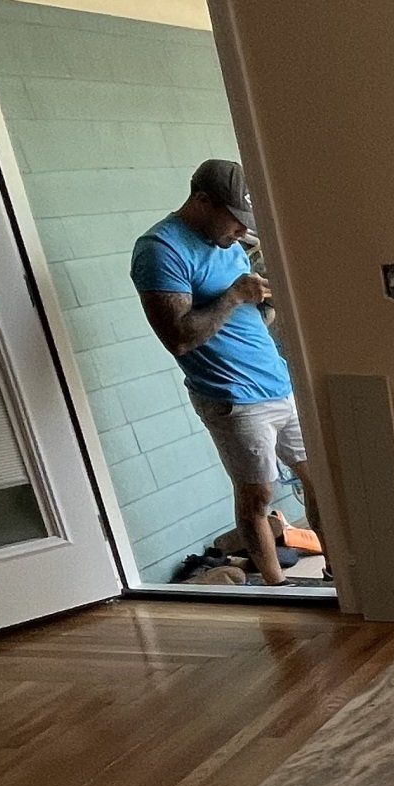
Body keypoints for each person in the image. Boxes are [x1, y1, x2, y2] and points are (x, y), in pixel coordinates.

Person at [131, 160, 322, 587]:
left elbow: (248, 324)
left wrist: (267, 303)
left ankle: (342, 572)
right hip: (232, 397)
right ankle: (277, 588)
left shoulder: (228, 244)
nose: (241, 233)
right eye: (236, 222)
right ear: (202, 202)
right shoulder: (161, 250)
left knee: (319, 478)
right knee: (259, 496)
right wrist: (236, 294)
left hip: (276, 381)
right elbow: (179, 337)